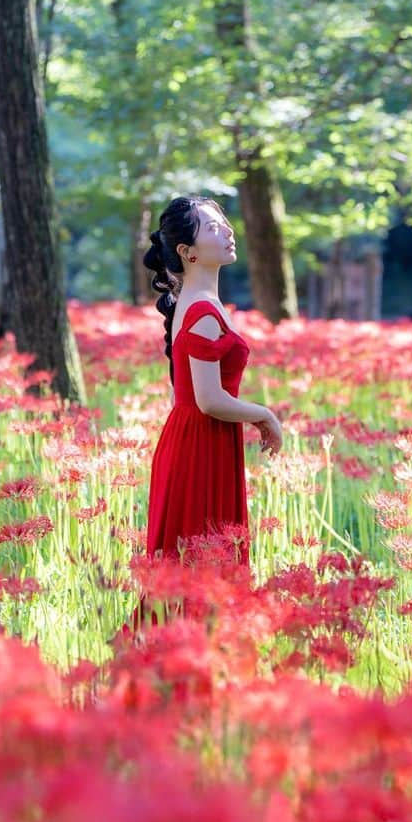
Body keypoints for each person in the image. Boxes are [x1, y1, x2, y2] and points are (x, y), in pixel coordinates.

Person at [142, 194, 284, 568]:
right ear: (187, 251)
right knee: (202, 573)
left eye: (225, 222)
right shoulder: (202, 308)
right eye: (213, 227)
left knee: (193, 574)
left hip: (197, 438)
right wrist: (264, 415)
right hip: (201, 443)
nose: (228, 231)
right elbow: (208, 399)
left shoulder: (193, 299)